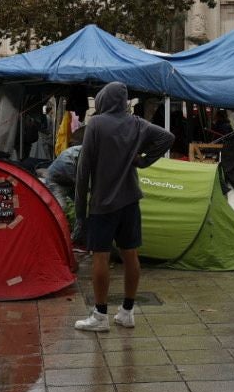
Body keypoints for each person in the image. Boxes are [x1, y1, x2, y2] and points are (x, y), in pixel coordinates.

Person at [73, 82, 175, 332]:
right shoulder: (137, 124)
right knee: (131, 254)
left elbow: (83, 170)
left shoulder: (96, 124)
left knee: (101, 256)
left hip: (102, 203)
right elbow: (167, 137)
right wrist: (143, 161)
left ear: (103, 100)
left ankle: (100, 315)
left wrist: (79, 214)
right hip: (130, 201)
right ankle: (127, 311)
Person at [42, 130, 84, 228]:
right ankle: (53, 228)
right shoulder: (68, 160)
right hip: (55, 181)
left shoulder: (83, 151)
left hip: (68, 182)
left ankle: (75, 229)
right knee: (61, 207)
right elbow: (79, 183)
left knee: (80, 208)